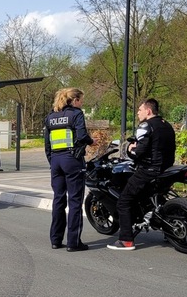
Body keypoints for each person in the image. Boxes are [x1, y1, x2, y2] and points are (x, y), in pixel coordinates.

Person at [108, 98, 176, 251]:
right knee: (158, 197)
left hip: (149, 170)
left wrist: (130, 149)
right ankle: (169, 230)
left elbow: (139, 153)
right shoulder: (167, 125)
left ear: (148, 111)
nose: (138, 113)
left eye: (140, 110)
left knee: (123, 201)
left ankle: (126, 240)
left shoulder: (146, 126)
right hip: (167, 169)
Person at [44, 88, 97, 252]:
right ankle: (73, 242)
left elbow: (47, 144)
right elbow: (81, 136)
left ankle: (55, 240)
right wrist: (91, 141)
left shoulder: (51, 117)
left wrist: (52, 160)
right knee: (74, 201)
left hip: (56, 161)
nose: (81, 104)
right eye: (81, 101)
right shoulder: (76, 114)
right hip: (72, 160)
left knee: (58, 199)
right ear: (75, 100)